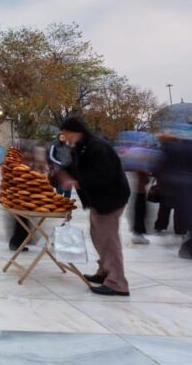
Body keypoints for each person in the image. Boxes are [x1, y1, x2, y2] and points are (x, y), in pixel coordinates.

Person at [59, 117, 130, 297]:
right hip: (98, 200)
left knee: (108, 240)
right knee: (98, 236)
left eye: (65, 133)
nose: (64, 137)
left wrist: (77, 181)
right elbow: (72, 168)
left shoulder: (98, 147)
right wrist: (58, 173)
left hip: (110, 199)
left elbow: (103, 176)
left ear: (75, 131)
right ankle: (105, 272)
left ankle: (117, 283)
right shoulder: (80, 147)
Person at [155, 134, 192, 260]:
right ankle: (189, 246)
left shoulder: (170, 150)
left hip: (177, 188)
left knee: (184, 215)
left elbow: (159, 168)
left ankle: (186, 241)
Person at [47, 134, 73, 198]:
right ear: (59, 137)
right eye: (61, 137)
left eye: (64, 137)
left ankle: (67, 201)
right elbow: (51, 156)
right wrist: (59, 163)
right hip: (58, 168)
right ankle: (59, 199)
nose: (63, 138)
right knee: (60, 188)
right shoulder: (54, 144)